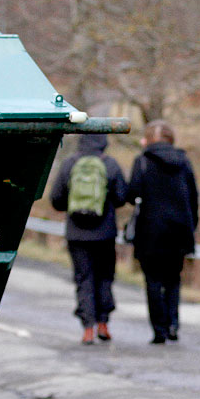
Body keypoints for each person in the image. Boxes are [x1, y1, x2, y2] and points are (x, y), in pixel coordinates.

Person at [49, 134, 127, 344]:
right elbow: (121, 197)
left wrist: (76, 207)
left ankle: (88, 328)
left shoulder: (70, 163)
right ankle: (103, 323)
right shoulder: (110, 164)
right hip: (105, 233)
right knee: (104, 277)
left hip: (77, 233)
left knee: (83, 278)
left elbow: (56, 199)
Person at [127, 120, 198, 344]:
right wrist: (191, 226)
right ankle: (173, 324)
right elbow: (194, 198)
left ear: (147, 139)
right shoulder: (184, 161)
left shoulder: (143, 162)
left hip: (150, 232)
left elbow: (132, 194)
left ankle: (159, 330)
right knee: (173, 280)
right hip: (179, 230)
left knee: (153, 280)